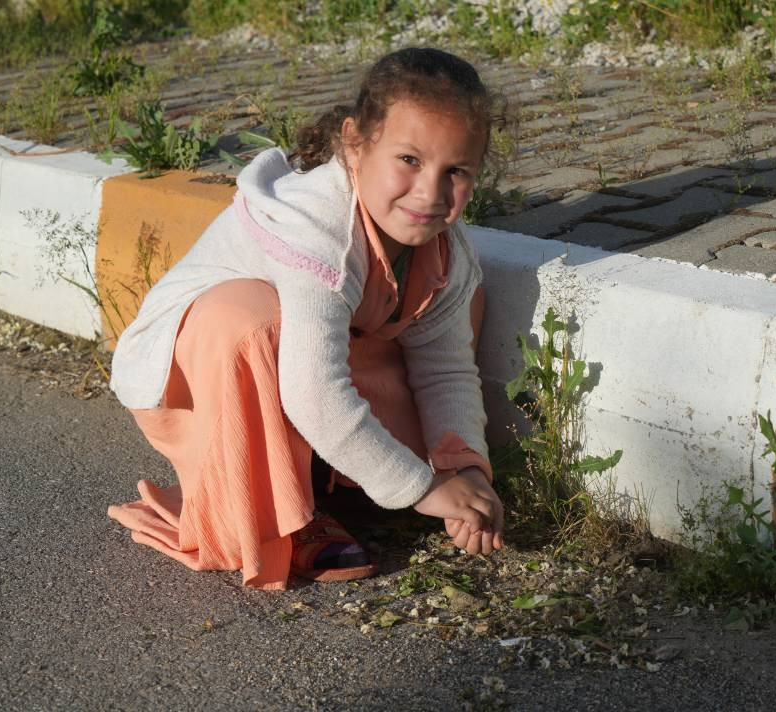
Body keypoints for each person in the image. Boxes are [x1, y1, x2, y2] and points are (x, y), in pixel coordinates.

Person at [107, 47, 506, 590]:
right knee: (255, 319)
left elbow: (444, 371)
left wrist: (465, 471)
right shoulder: (317, 224)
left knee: (462, 298)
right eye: (409, 160)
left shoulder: (446, 246)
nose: (430, 193)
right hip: (206, 377)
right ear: (355, 144)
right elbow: (313, 392)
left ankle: (328, 479)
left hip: (309, 368)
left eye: (455, 171)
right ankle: (288, 516)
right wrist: (420, 488)